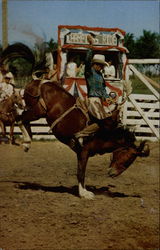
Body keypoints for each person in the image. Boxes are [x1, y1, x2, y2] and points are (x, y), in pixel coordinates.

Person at [74, 34, 115, 146]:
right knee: (102, 122)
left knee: (108, 120)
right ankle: (80, 134)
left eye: (102, 66)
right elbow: (87, 61)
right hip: (92, 100)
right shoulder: (89, 72)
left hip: (99, 102)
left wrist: (108, 98)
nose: (101, 67)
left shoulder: (100, 76)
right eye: (100, 65)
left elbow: (102, 89)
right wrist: (91, 46)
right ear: (95, 64)